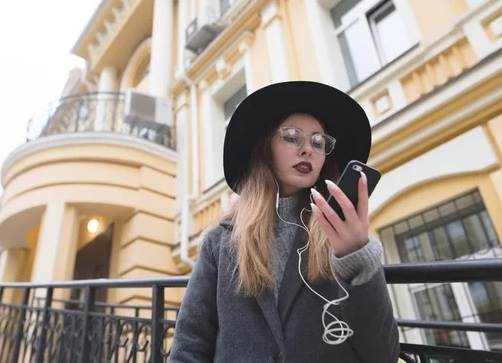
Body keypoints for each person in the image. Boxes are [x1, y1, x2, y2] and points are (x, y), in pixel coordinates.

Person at [169, 81, 400, 363]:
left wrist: (357, 257)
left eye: (319, 142)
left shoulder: (339, 232)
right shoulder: (220, 241)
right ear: (265, 148)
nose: (308, 150)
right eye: (292, 137)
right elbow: (189, 345)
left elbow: (383, 355)